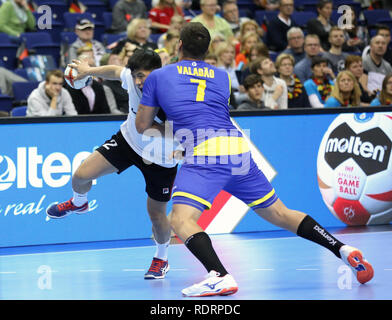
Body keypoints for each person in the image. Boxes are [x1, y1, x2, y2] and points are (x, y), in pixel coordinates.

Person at [134, 22, 374, 297]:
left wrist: (176, 129)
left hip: (204, 152)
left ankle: (219, 275)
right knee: (280, 213)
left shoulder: (158, 76)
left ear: (178, 45)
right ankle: (343, 250)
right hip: (237, 147)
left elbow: (143, 125)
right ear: (207, 50)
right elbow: (209, 109)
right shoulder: (222, 76)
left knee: (180, 219)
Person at [46, 49, 180, 280]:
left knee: (156, 215)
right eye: (135, 75)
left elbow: (181, 131)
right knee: (80, 176)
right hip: (128, 142)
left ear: (157, 73)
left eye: (143, 76)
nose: (138, 81)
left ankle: (162, 258)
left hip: (161, 158)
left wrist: (148, 126)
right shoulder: (131, 78)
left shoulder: (173, 96)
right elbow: (117, 72)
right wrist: (89, 71)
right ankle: (80, 203)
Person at [64, 47, 111, 115]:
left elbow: (106, 112)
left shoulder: (98, 86)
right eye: (85, 59)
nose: (90, 60)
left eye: (92, 57)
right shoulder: (69, 86)